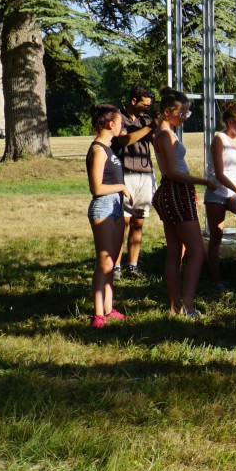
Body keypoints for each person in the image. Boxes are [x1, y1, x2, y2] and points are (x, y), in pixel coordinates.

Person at [149, 89, 218, 318]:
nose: (185, 118)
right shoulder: (165, 135)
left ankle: (176, 305)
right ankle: (186, 305)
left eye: (188, 114)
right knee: (197, 252)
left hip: (173, 193)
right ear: (168, 112)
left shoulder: (164, 132)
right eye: (182, 114)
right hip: (176, 192)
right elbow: (172, 172)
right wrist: (204, 181)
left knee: (175, 251)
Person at [84, 104, 128, 328]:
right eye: (120, 122)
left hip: (116, 208)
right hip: (103, 207)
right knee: (103, 263)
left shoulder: (110, 148)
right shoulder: (99, 150)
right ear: (111, 124)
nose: (122, 125)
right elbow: (96, 188)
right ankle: (98, 315)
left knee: (111, 262)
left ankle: (109, 310)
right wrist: (121, 186)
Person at [112, 85, 157, 279]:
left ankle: (133, 265)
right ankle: (115, 267)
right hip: (124, 174)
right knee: (123, 223)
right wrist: (150, 127)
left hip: (145, 174)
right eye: (145, 105)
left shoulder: (146, 120)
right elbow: (124, 141)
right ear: (133, 101)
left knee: (138, 222)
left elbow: (157, 142)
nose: (147, 109)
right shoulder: (118, 118)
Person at [204, 101, 236, 291]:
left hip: (234, 192)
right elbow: (220, 174)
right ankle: (216, 278)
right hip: (217, 191)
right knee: (216, 235)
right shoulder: (219, 140)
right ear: (230, 122)